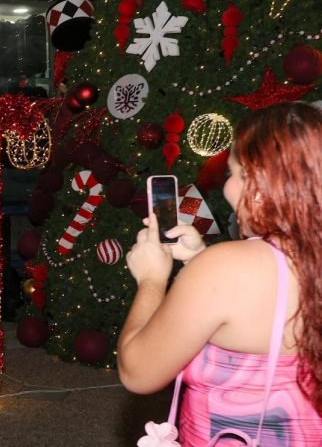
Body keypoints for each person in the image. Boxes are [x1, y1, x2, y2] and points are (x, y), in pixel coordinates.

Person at [119, 102, 322, 445]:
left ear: (257, 183)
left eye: (232, 174)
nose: (227, 188)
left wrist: (152, 280)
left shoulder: (224, 269)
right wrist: (199, 259)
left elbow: (137, 372)